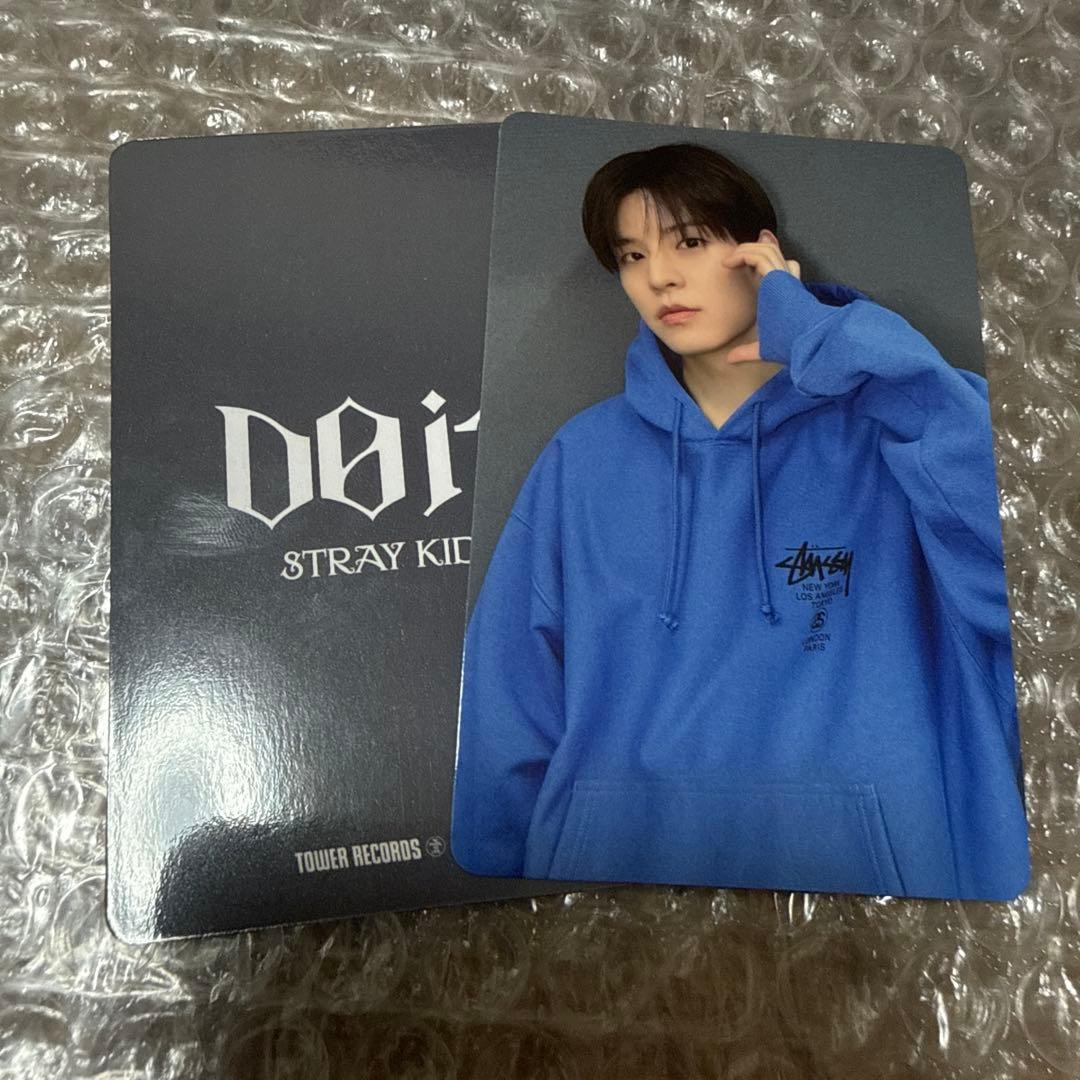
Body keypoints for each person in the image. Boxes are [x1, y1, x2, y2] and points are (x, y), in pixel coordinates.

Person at [450, 142, 1030, 900]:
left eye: (689, 241)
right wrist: (499, 907)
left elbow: (1025, 589)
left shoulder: (900, 432)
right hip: (623, 894)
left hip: (877, 900)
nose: (659, 277)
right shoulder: (582, 457)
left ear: (760, 252)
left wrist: (826, 339)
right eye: (631, 256)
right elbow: (507, 700)